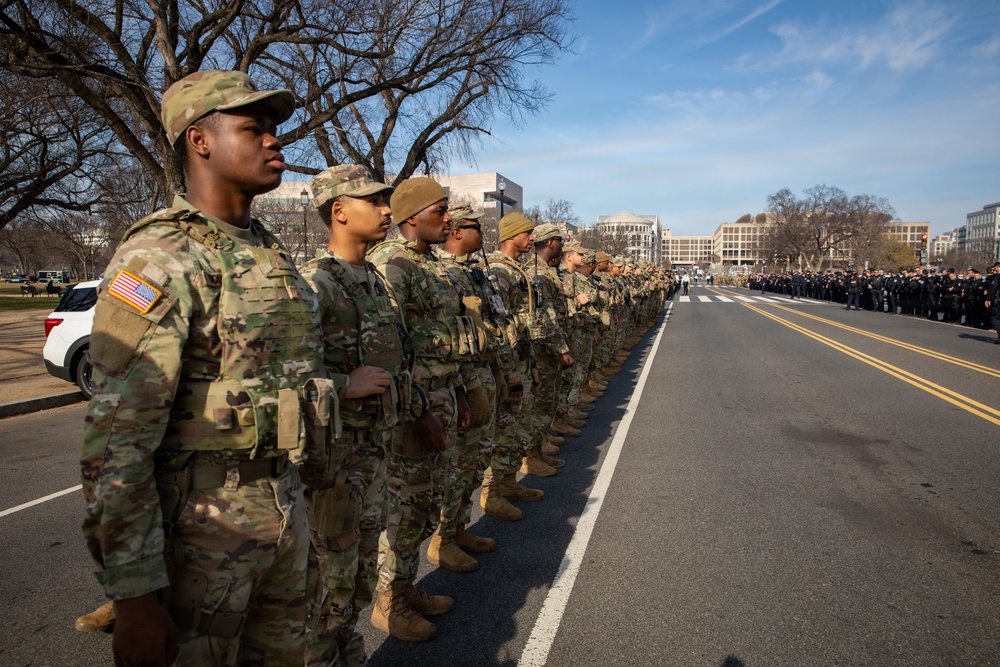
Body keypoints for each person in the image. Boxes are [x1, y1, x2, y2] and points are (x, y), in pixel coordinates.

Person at [80, 70, 323, 666]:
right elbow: (116, 445)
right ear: (200, 140)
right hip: (201, 535)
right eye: (253, 128)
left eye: (274, 130)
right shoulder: (160, 258)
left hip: (283, 512)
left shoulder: (268, 254)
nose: (275, 142)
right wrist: (135, 597)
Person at [298, 165, 416, 666]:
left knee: (360, 576)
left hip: (373, 452)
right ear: (339, 211)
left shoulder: (373, 280)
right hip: (332, 467)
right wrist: (346, 385)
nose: (388, 209)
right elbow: (282, 379)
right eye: (374, 201)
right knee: (329, 583)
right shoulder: (313, 284)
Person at [367, 177, 473, 642]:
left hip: (444, 396)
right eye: (440, 210)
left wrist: (463, 392)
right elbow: (390, 348)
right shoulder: (391, 264)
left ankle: (406, 589)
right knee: (406, 508)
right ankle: (388, 603)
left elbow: (448, 335)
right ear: (412, 216)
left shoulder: (430, 266)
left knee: (428, 501)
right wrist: (418, 411)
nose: (448, 218)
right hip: (415, 406)